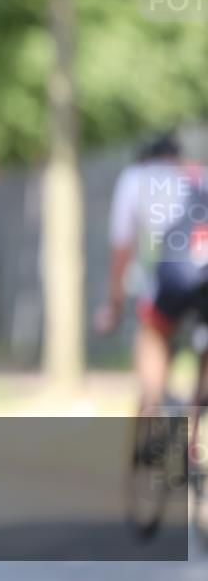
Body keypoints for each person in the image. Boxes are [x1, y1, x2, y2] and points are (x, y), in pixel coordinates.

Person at [95, 130, 208, 422]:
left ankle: (152, 410)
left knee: (152, 333)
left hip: (175, 272)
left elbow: (122, 248)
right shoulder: (199, 173)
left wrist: (114, 303)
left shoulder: (136, 177)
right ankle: (196, 422)